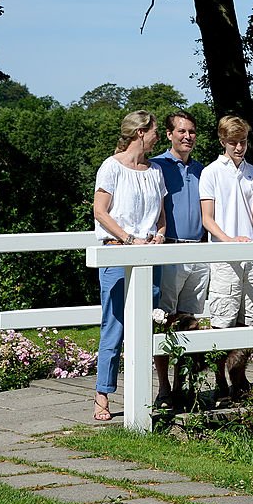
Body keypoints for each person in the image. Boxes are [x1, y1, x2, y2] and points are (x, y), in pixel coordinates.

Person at [91, 110, 167, 421]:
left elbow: (161, 216)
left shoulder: (155, 171)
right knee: (115, 324)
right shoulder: (111, 167)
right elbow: (100, 211)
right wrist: (127, 239)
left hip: (149, 258)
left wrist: (160, 234)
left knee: (150, 323)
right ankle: (102, 394)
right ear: (139, 133)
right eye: (154, 131)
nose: (157, 137)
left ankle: (151, 391)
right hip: (117, 255)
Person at [199, 115, 253, 404]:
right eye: (234, 142)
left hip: (251, 254)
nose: (239, 147)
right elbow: (207, 219)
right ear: (223, 141)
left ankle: (240, 377)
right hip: (225, 256)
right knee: (223, 318)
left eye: (243, 142)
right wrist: (228, 241)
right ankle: (220, 379)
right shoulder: (212, 172)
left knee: (249, 317)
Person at [149, 110, 209, 409]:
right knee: (163, 320)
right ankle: (162, 389)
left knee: (190, 321)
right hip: (170, 250)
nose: (188, 136)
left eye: (192, 131)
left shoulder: (202, 169)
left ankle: (182, 385)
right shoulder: (156, 166)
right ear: (170, 134)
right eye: (182, 131)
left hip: (198, 250)